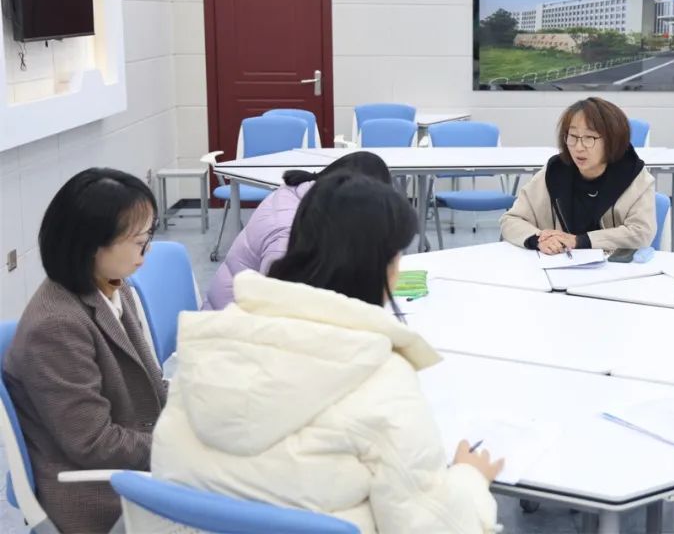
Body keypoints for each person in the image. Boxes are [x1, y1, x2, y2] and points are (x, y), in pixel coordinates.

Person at [152, 173, 502, 533]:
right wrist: (470, 479)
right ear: (381, 266)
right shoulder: (382, 379)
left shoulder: (212, 339)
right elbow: (430, 526)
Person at [3, 168, 167, 534]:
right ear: (93, 246)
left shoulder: (113, 286)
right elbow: (94, 443)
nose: (147, 251)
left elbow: (149, 384)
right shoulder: (56, 326)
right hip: (98, 495)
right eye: (140, 241)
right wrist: (180, 447)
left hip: (132, 464)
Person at [205, 151, 392, 310]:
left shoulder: (300, 193)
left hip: (244, 316)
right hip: (231, 327)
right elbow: (278, 308)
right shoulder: (288, 234)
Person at [500, 97, 656, 253]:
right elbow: (511, 219)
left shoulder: (634, 174)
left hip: (614, 266)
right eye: (573, 136)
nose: (578, 147)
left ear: (612, 140)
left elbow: (641, 232)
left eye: (589, 137)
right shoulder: (555, 171)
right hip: (560, 265)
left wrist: (579, 241)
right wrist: (539, 239)